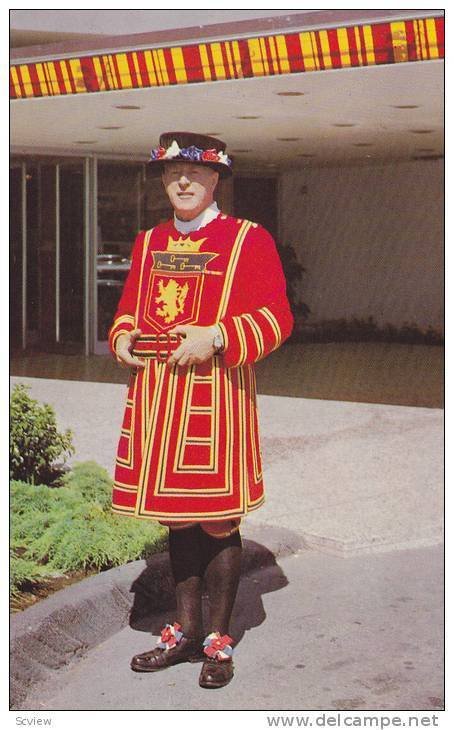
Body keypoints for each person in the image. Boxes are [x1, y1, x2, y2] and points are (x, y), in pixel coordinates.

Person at [109, 132, 293, 689]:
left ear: (215, 180)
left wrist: (217, 336)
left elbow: (278, 317)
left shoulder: (247, 239)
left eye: (193, 173)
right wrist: (121, 337)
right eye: (171, 174)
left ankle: (218, 638)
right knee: (177, 516)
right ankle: (185, 631)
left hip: (217, 402)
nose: (182, 182)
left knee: (215, 517)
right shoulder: (149, 241)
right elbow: (127, 310)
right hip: (159, 401)